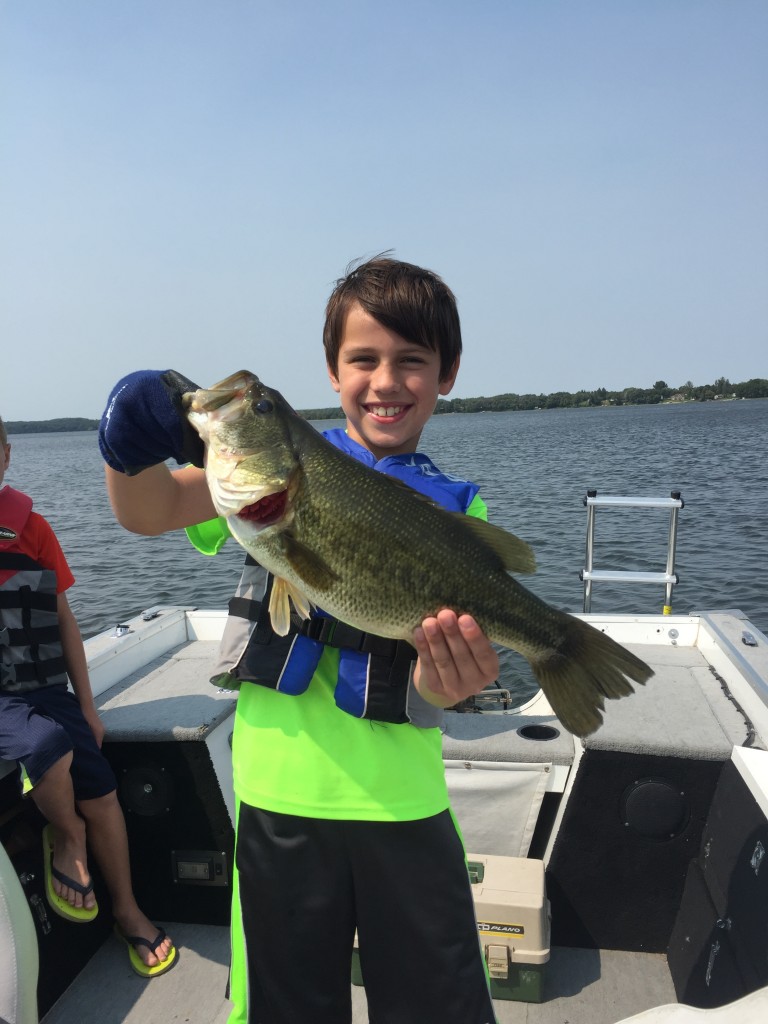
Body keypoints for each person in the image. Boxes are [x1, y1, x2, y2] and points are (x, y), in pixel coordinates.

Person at [99, 257, 500, 1023]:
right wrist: (127, 446)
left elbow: (435, 685)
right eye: (364, 359)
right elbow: (147, 511)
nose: (386, 381)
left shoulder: (459, 510)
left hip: (405, 806)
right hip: (280, 798)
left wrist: (448, 686)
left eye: (412, 360)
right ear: (332, 370)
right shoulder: (268, 470)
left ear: (446, 375)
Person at [0, 415, 176, 978]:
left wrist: (88, 706)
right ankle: (66, 833)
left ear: (5, 457)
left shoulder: (35, 530)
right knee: (48, 745)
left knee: (101, 794)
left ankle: (127, 911)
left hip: (47, 687)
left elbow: (64, 621)